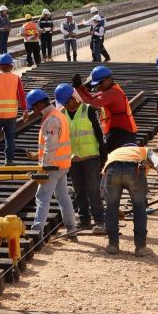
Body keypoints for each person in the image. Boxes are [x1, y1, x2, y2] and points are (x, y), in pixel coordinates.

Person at [102, 145, 158, 256]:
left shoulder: (114, 153)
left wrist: (114, 210)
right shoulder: (145, 151)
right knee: (139, 209)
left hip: (111, 171)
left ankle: (113, 246)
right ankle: (141, 248)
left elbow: (103, 184)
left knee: (111, 210)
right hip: (134, 171)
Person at [24, 89, 77, 239]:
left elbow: (51, 146)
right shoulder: (59, 114)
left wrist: (43, 168)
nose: (33, 111)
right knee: (63, 196)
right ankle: (72, 230)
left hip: (52, 167)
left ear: (40, 104)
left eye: (33, 107)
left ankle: (37, 232)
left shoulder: (51, 120)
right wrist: (38, 156)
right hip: (62, 165)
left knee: (42, 196)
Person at [55, 83, 106, 234]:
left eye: (66, 101)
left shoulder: (88, 109)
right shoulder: (62, 114)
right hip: (73, 159)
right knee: (79, 190)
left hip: (90, 156)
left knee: (93, 189)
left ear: (73, 98)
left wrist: (104, 156)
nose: (64, 104)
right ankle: (84, 219)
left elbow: (100, 133)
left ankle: (99, 220)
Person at [74, 65, 138, 152]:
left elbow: (91, 103)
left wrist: (77, 88)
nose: (98, 87)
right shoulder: (110, 90)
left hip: (123, 133)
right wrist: (81, 87)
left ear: (108, 79)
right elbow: (92, 97)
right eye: (96, 85)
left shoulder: (113, 93)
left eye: (99, 83)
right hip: (119, 131)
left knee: (102, 151)